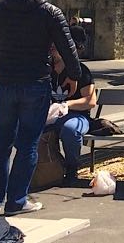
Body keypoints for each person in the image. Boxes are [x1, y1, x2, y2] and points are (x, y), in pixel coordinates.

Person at [0, 0, 81, 216]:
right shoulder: (49, 11)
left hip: (6, 81)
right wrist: (74, 75)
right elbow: (67, 47)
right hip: (35, 81)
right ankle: (17, 200)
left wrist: (5, 60)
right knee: (27, 144)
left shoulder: (1, 9)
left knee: (1, 140)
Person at [47, 45, 97, 183]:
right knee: (24, 128)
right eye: (50, 46)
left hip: (76, 115)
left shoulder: (81, 71)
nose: (52, 49)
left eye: (56, 46)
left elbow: (90, 101)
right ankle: (42, 167)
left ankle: (72, 168)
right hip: (49, 115)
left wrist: (67, 105)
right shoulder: (45, 69)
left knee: (70, 129)